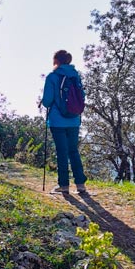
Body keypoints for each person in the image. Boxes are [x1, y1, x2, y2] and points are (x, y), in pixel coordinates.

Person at [40, 49, 87, 195]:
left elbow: (47, 101)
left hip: (57, 121)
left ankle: (64, 186)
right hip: (74, 120)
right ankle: (80, 185)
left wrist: (45, 102)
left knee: (62, 152)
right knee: (73, 151)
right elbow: (82, 96)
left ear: (56, 60)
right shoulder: (75, 76)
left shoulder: (53, 77)